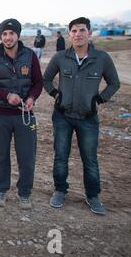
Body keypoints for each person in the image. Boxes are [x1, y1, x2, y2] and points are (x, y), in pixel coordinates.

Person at [44, 17, 120, 216]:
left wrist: (99, 100)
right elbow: (46, 79)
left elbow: (114, 83)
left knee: (90, 159)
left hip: (88, 118)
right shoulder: (60, 57)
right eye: (74, 31)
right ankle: (60, 190)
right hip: (62, 116)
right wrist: (55, 95)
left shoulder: (101, 58)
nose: (78, 34)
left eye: (82, 30)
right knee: (61, 156)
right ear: (69, 35)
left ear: (90, 33)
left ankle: (93, 196)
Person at [0, 18, 43, 209]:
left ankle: (25, 193)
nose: (8, 37)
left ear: (18, 35)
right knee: (0, 155)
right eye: (4, 34)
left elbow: (38, 82)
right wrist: (6, 95)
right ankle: (0, 190)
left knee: (27, 157)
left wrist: (32, 98)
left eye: (11, 33)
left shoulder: (30, 56)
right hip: (0, 115)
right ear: (1, 36)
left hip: (25, 116)